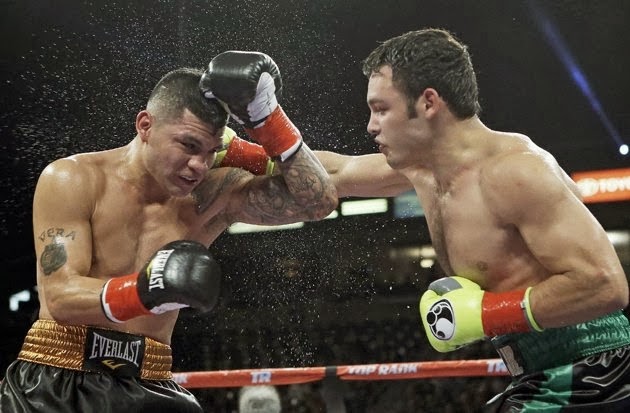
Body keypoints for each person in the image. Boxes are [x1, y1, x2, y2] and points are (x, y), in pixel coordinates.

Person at [314, 29, 630, 411]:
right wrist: (246, 145)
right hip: (538, 376)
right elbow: (335, 172)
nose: (371, 125)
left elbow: (605, 285)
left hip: (599, 373)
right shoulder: (424, 171)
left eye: (382, 109)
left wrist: (484, 314)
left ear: (428, 102)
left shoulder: (515, 172)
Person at [0, 55, 337, 412]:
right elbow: (61, 297)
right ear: (145, 125)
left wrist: (268, 120)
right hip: (56, 380)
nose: (199, 166)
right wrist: (145, 290)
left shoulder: (213, 194)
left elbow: (318, 202)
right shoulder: (73, 178)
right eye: (188, 146)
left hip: (151, 381)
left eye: (210, 152)